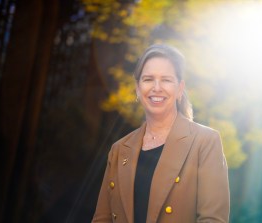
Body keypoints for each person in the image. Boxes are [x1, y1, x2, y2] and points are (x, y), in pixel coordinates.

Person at [92, 44, 230, 223]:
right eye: (148, 79)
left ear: (180, 89)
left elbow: (213, 220)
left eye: (166, 80)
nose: (157, 88)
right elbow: (102, 219)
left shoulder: (205, 142)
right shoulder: (119, 150)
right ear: (137, 88)